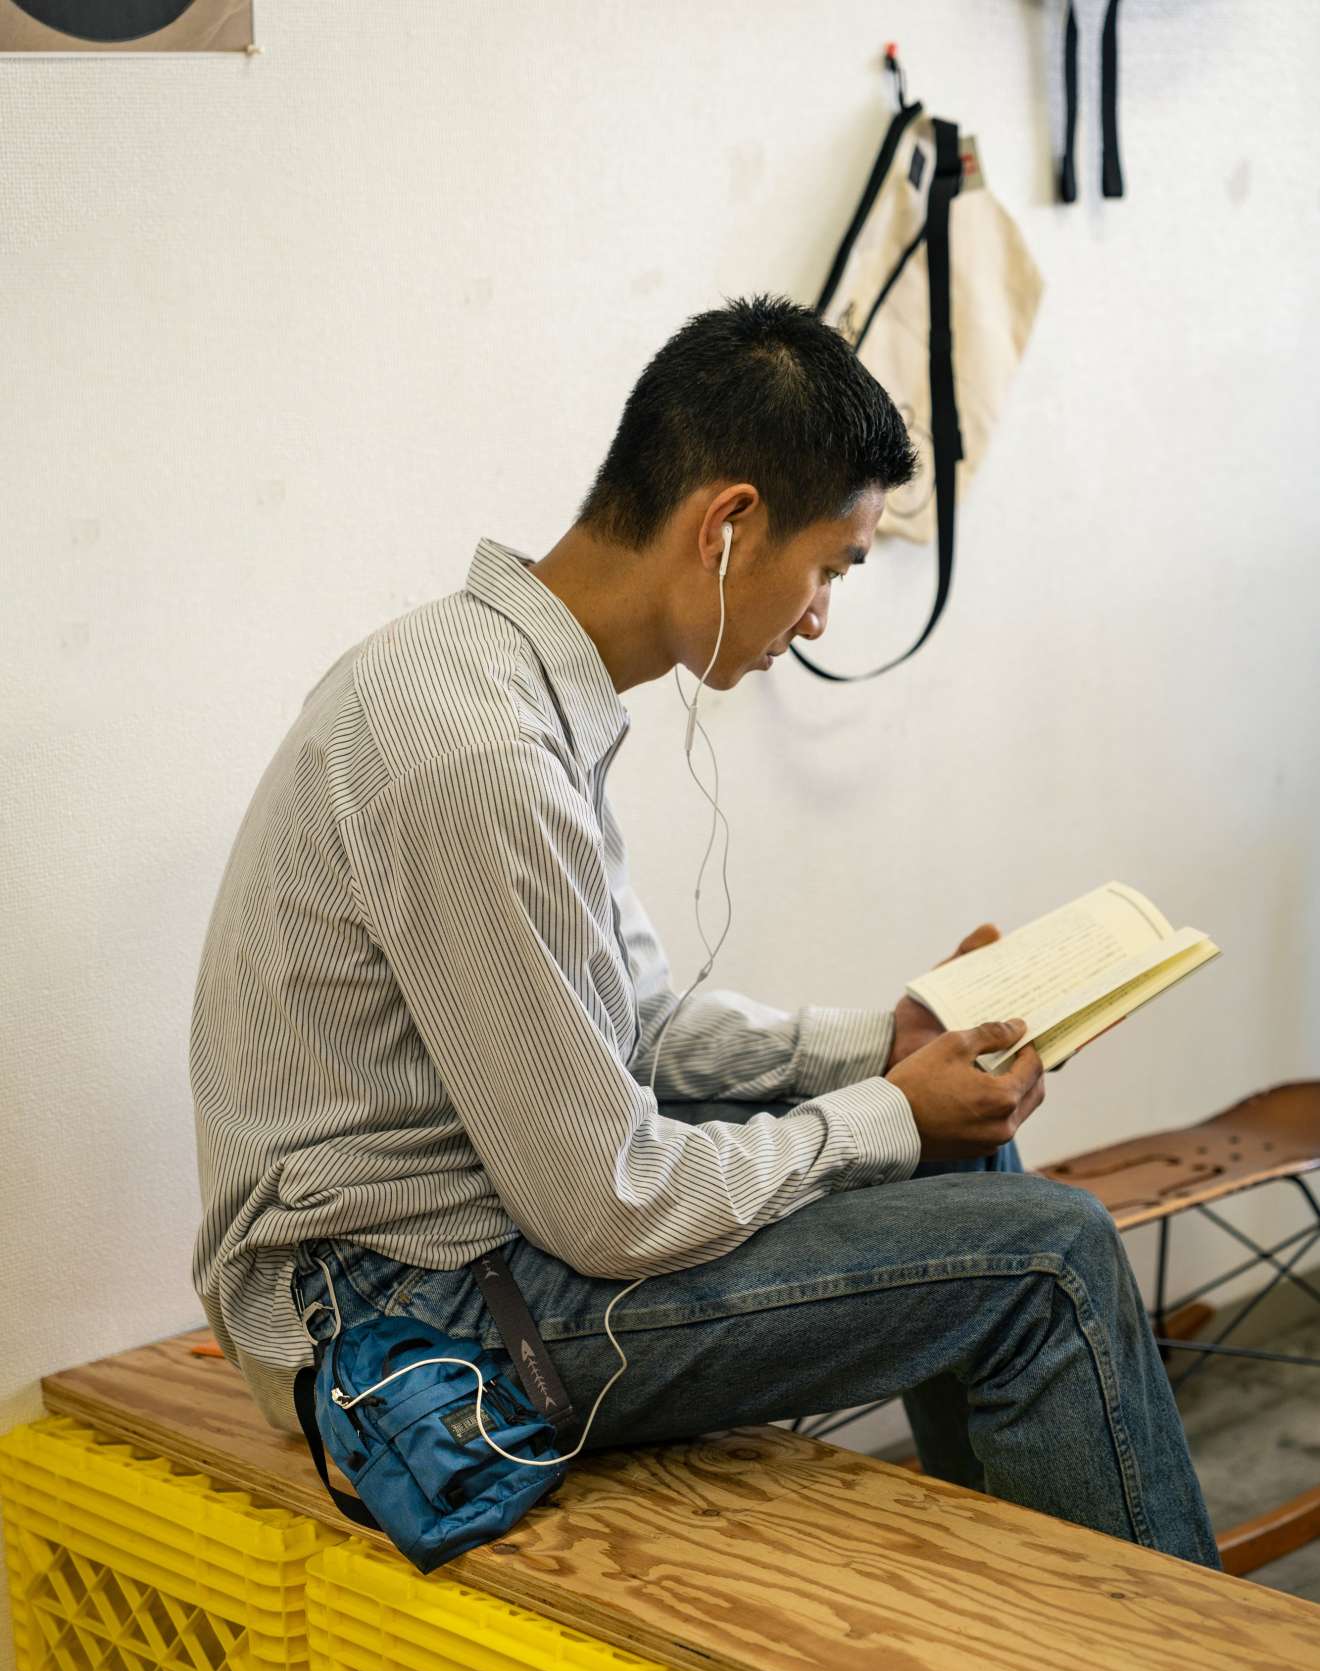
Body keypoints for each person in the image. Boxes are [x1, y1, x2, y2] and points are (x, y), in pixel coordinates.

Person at [189, 295, 1220, 1568]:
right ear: (728, 526)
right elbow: (611, 1208)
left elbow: (629, 1027)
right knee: (1052, 1258)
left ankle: (1028, 1624)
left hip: (467, 1248)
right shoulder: (476, 752)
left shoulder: (493, 682)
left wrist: (880, 1049)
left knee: (958, 1153)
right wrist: (887, 1115)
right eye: (832, 568)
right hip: (409, 1324)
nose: (821, 615)